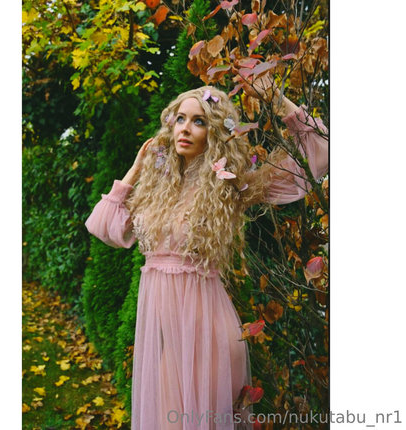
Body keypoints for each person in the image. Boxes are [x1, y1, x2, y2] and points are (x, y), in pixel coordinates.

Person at [85, 81, 328, 429]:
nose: (185, 128)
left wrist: (276, 99)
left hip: (209, 339)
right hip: (170, 342)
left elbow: (319, 151)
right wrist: (136, 170)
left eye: (198, 121)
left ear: (213, 133)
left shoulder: (230, 185)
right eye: (180, 119)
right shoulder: (158, 190)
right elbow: (104, 227)